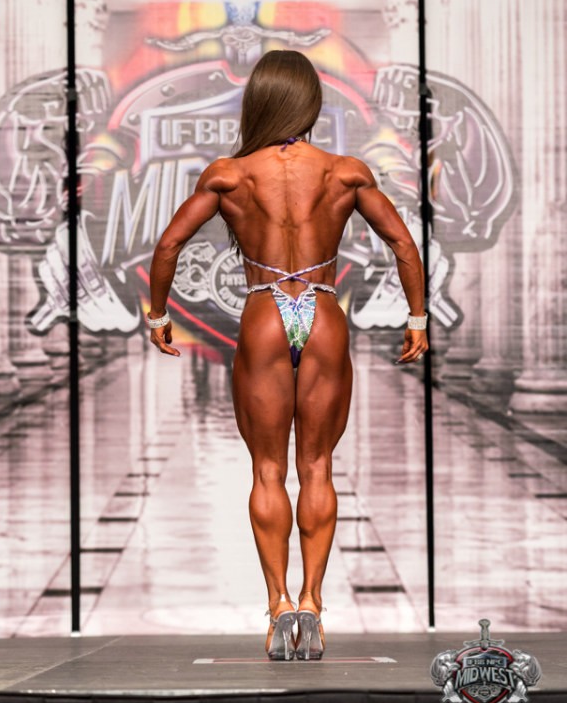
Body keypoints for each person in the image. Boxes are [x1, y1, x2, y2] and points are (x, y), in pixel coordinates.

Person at [147, 50, 428, 661]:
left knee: (268, 471)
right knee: (318, 466)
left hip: (264, 314)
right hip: (320, 311)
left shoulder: (230, 175)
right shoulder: (344, 172)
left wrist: (159, 315)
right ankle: (312, 605)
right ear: (310, 104)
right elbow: (404, 244)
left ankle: (277, 605)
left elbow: (169, 244)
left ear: (260, 103)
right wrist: (417, 317)